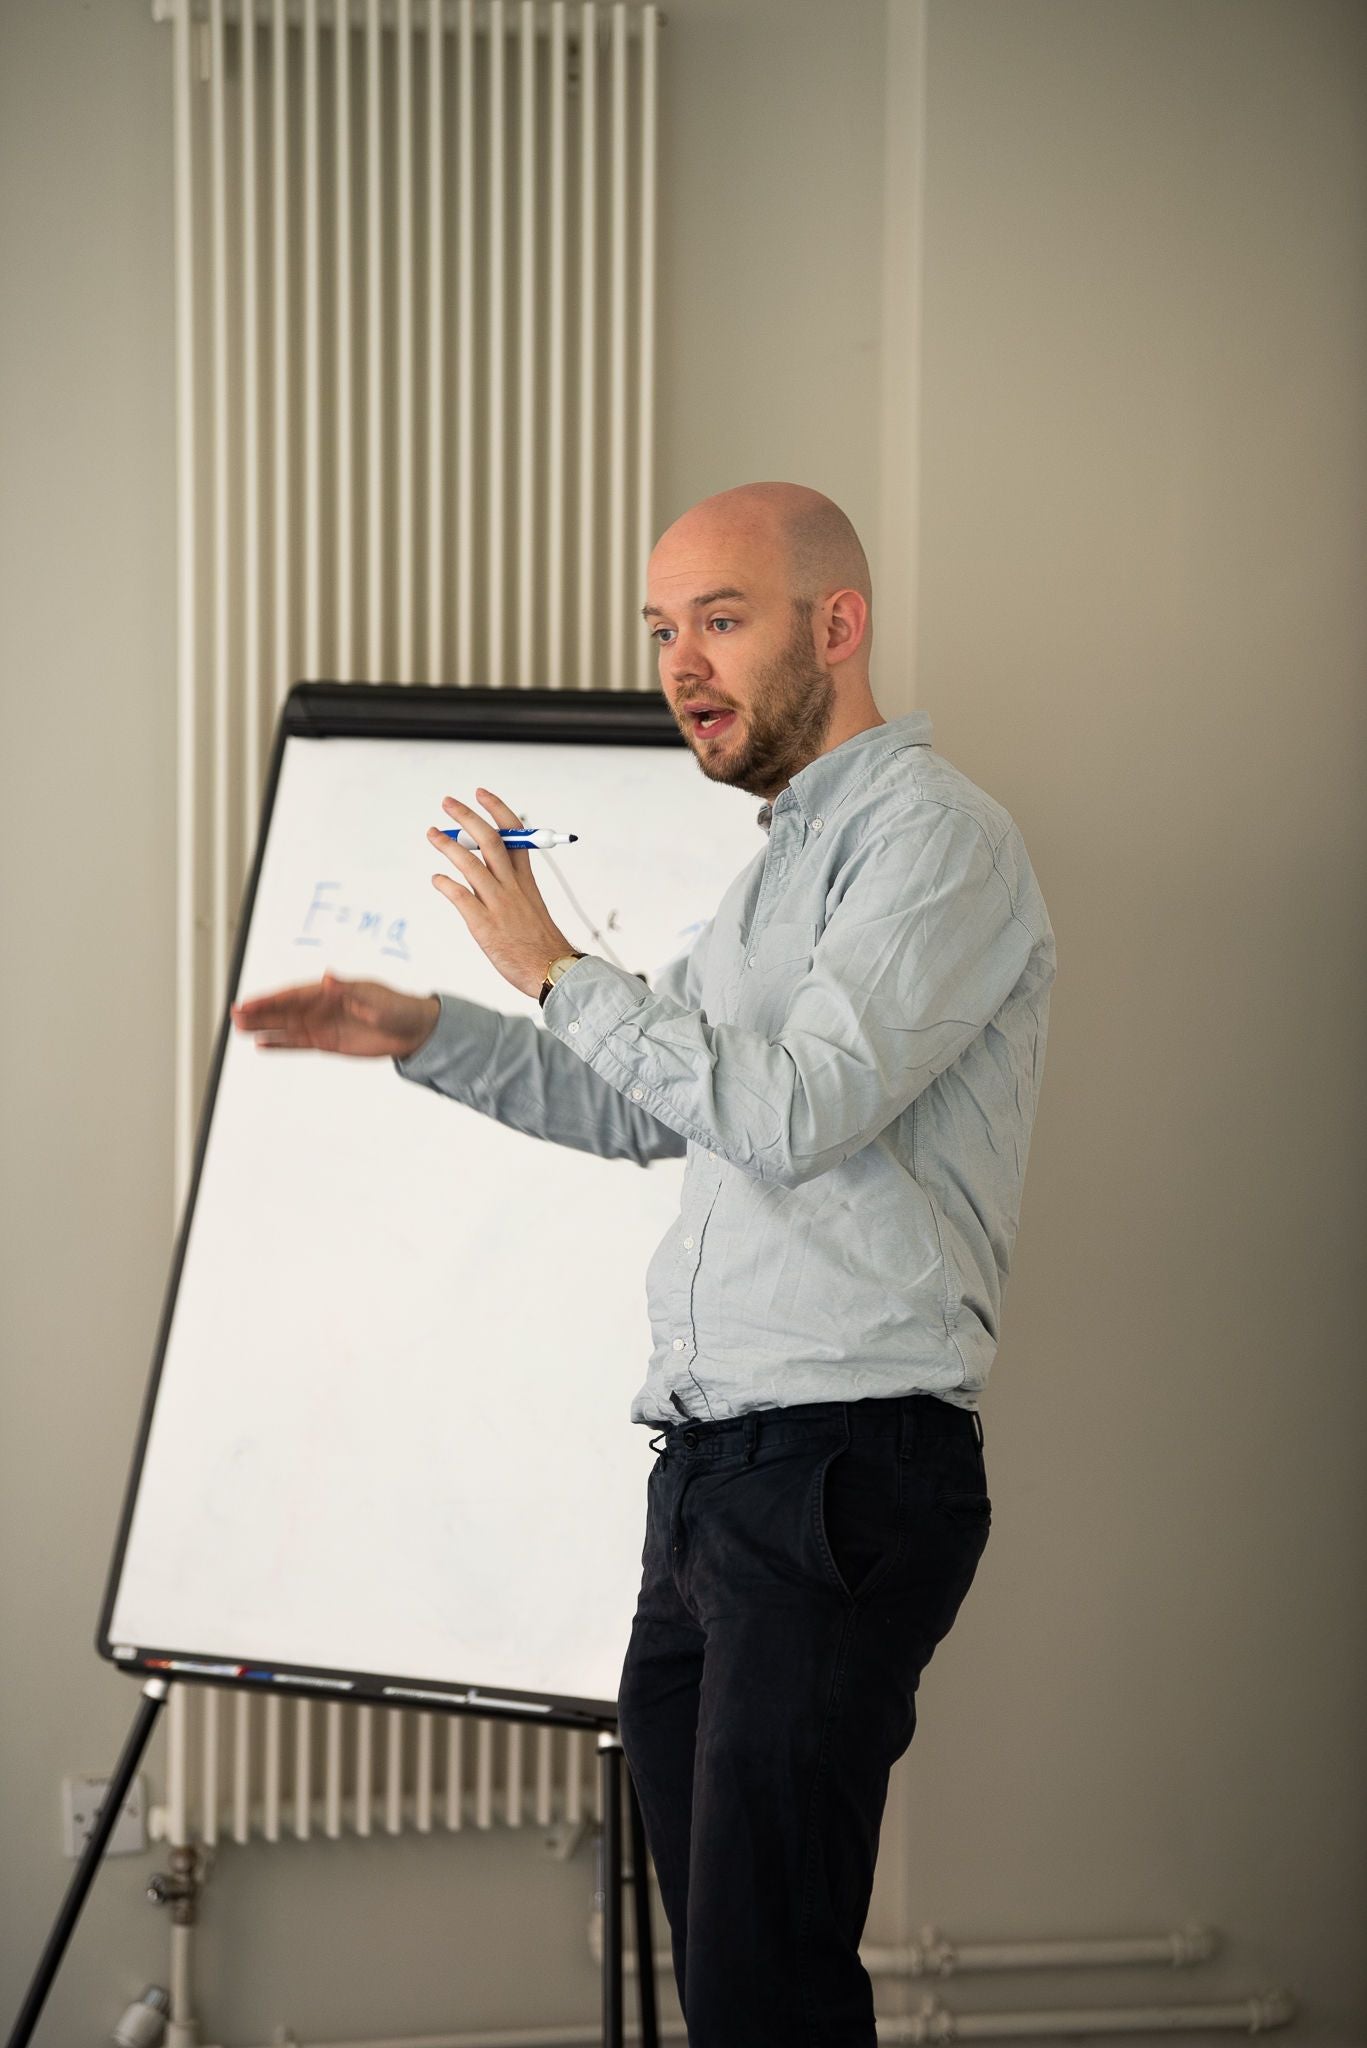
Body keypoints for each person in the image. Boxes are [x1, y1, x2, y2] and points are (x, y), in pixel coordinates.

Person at [231, 481, 1057, 2046]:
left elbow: (797, 1109)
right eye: (664, 630)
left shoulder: (937, 841)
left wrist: (554, 962)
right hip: (714, 1486)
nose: (680, 663)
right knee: (738, 1981)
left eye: (720, 621)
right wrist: (426, 1030)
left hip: (834, 1472)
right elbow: (639, 1104)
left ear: (840, 622)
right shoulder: (775, 876)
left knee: (764, 1988)